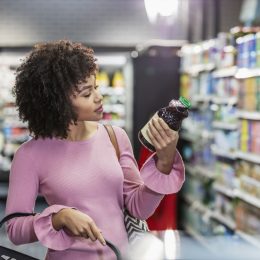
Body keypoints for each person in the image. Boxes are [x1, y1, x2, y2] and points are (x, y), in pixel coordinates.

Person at [5, 40, 185, 260]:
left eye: (96, 87)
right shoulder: (29, 155)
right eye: (87, 93)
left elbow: (138, 208)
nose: (99, 97)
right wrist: (58, 217)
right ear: (58, 103)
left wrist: (164, 164)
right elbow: (14, 229)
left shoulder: (114, 137)